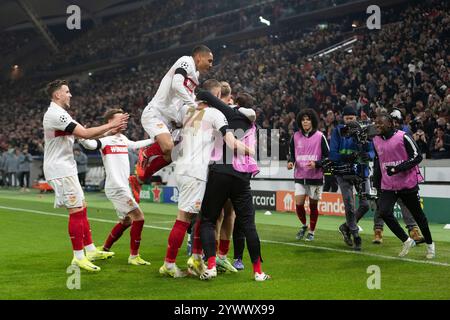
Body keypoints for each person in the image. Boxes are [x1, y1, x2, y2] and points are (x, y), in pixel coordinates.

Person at [158, 79, 251, 278]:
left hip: (182, 168)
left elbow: (171, 122)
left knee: (199, 216)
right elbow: (231, 142)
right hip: (196, 171)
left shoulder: (186, 111)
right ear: (216, 96)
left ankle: (196, 258)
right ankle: (170, 263)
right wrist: (249, 150)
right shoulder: (215, 113)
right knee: (187, 218)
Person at [43, 79, 128, 272]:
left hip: (66, 168)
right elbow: (86, 133)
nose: (70, 94)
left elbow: (85, 136)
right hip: (60, 169)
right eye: (67, 91)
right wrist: (110, 124)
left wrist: (110, 129)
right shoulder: (56, 114)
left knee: (81, 207)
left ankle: (89, 250)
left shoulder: (62, 114)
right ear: (57, 95)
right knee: (76, 210)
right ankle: (78, 257)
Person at [196, 88, 270, 281]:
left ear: (236, 102)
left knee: (208, 220)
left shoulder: (228, 113)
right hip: (241, 177)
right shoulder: (253, 125)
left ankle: (211, 266)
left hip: (220, 172)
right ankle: (258, 272)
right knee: (248, 225)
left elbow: (205, 94)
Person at [129, 45, 214, 202]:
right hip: (155, 113)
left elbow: (181, 99)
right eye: (209, 60)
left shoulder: (195, 74)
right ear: (199, 57)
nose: (211, 64)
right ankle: (146, 151)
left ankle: (139, 180)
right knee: (168, 147)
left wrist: (181, 118)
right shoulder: (186, 61)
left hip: (168, 119)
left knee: (172, 154)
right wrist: (194, 105)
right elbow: (176, 85)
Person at [79, 108, 153, 266]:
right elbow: (91, 144)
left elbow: (135, 145)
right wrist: (82, 136)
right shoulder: (105, 140)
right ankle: (134, 256)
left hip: (123, 187)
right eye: (119, 120)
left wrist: (156, 139)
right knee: (139, 218)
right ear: (109, 122)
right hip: (116, 187)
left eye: (123, 120)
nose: (123, 123)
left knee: (126, 221)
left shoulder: (122, 138)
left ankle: (105, 249)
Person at [372, 113, 435, 258]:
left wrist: (397, 168)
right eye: (376, 124)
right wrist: (377, 182)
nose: (377, 126)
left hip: (407, 184)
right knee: (384, 212)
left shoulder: (403, 136)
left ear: (389, 124)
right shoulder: (375, 140)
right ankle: (407, 241)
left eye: (380, 123)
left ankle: (430, 245)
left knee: (419, 217)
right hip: (388, 185)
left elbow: (417, 156)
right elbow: (379, 162)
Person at [330, 105, 374, 251]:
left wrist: (369, 155)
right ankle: (356, 235)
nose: (349, 121)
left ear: (357, 118)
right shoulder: (337, 131)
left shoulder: (364, 131)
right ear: (343, 118)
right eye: (347, 118)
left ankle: (346, 227)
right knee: (349, 205)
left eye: (352, 118)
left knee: (365, 205)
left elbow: (373, 149)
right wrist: (346, 157)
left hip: (362, 171)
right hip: (343, 173)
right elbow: (332, 154)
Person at [287, 108, 329, 241]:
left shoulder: (320, 136)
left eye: (308, 119)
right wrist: (290, 162)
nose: (305, 122)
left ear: (312, 121)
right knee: (298, 204)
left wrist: (317, 164)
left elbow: (329, 157)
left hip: (315, 177)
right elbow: (292, 155)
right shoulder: (295, 136)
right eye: (303, 120)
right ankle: (304, 225)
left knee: (313, 206)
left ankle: (312, 231)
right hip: (299, 176)